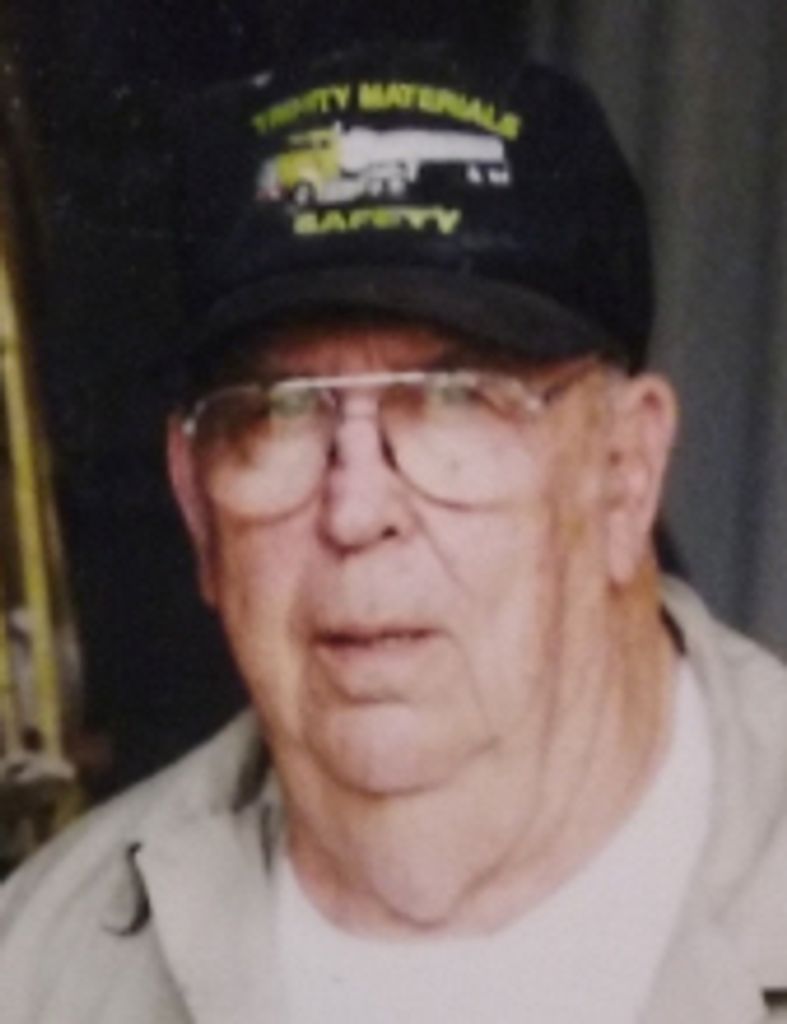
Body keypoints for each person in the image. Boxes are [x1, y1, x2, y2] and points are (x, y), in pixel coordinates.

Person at [2, 38, 787, 1023]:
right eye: (279, 413)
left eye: (455, 402)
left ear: (623, 474)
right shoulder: (39, 968)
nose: (355, 509)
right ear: (197, 508)